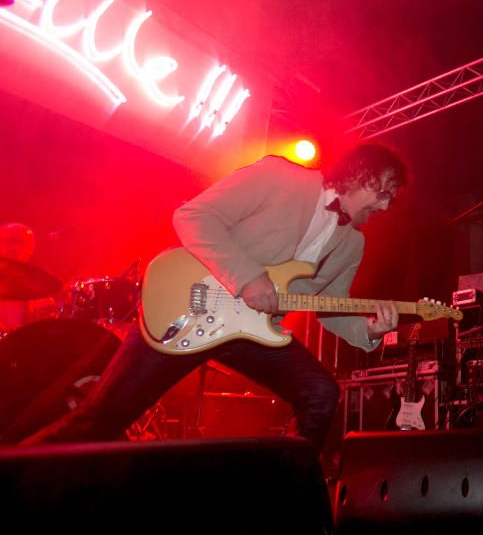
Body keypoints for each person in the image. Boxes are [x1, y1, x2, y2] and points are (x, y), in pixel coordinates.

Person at [9, 143, 408, 448]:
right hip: (187, 307)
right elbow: (193, 216)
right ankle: (15, 476)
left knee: (321, 392)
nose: (388, 206)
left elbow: (332, 308)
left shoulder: (352, 244)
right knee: (101, 417)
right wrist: (248, 277)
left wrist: (371, 330)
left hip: (250, 333)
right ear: (364, 176)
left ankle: (283, 499)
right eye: (387, 192)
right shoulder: (280, 176)